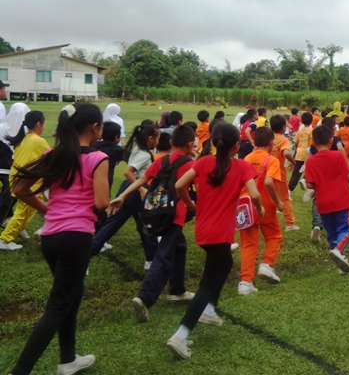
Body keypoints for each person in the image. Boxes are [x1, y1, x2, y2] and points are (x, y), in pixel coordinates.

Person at [9, 102, 109, 375]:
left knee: (71, 296)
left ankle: (67, 359)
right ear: (94, 127)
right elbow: (101, 202)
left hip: (51, 238)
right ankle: (21, 370)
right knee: (59, 304)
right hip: (75, 239)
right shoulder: (98, 157)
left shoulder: (56, 153)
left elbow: (19, 187)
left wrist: (47, 209)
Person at [166, 122, 262, 360]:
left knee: (226, 264)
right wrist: (260, 209)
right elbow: (256, 193)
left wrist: (189, 203)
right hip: (221, 235)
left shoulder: (203, 162)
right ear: (236, 146)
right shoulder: (241, 166)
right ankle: (181, 334)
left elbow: (179, 185)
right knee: (207, 285)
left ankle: (209, 309)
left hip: (204, 233)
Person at [109, 125, 197, 322]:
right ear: (191, 144)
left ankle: (177, 289)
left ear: (172, 143)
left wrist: (122, 195)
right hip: (174, 216)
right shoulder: (190, 165)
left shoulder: (162, 160)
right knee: (164, 256)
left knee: (179, 247)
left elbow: (142, 180)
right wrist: (192, 204)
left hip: (156, 212)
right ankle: (144, 298)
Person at [91, 123, 160, 267]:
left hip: (127, 189)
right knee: (147, 224)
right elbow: (128, 172)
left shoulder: (137, 149)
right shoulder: (144, 155)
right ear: (151, 139)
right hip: (137, 190)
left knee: (113, 223)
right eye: (157, 139)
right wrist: (141, 190)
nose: (158, 142)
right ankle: (151, 259)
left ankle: (89, 251)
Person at [304, 125, 349, 275]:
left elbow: (309, 184)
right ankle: (338, 251)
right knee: (345, 231)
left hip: (323, 204)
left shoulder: (310, 161)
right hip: (341, 201)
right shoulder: (338, 156)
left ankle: (340, 261)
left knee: (332, 233)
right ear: (331, 141)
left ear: (314, 143)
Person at [238, 127, 285, 295]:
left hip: (245, 206)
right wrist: (278, 201)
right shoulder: (271, 160)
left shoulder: (246, 159)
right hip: (266, 207)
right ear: (271, 143)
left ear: (255, 141)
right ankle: (266, 264)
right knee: (274, 236)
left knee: (248, 245)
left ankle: (245, 282)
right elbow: (269, 182)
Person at [0, 111, 49, 250]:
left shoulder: (22, 138)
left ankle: (15, 230)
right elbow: (52, 158)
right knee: (23, 213)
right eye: (43, 123)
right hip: (28, 185)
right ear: (39, 124)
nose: (44, 126)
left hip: (18, 180)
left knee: (28, 211)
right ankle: (5, 238)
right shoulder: (38, 141)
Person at [269, 115, 298, 231]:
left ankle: (266, 222)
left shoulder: (268, 137)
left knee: (267, 198)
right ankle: (289, 224)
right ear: (283, 127)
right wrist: (294, 163)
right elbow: (286, 153)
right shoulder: (283, 139)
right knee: (285, 198)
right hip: (278, 173)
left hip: (266, 172)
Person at [92, 121, 124, 192]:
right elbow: (132, 157)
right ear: (116, 137)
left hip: (90, 181)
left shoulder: (94, 145)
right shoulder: (117, 150)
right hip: (105, 183)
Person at [288, 111, 313, 193]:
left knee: (296, 173)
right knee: (311, 170)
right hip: (308, 154)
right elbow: (312, 143)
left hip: (299, 153)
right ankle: (304, 180)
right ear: (311, 121)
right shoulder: (311, 131)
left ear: (302, 121)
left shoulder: (300, 131)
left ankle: (289, 191)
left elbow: (296, 142)